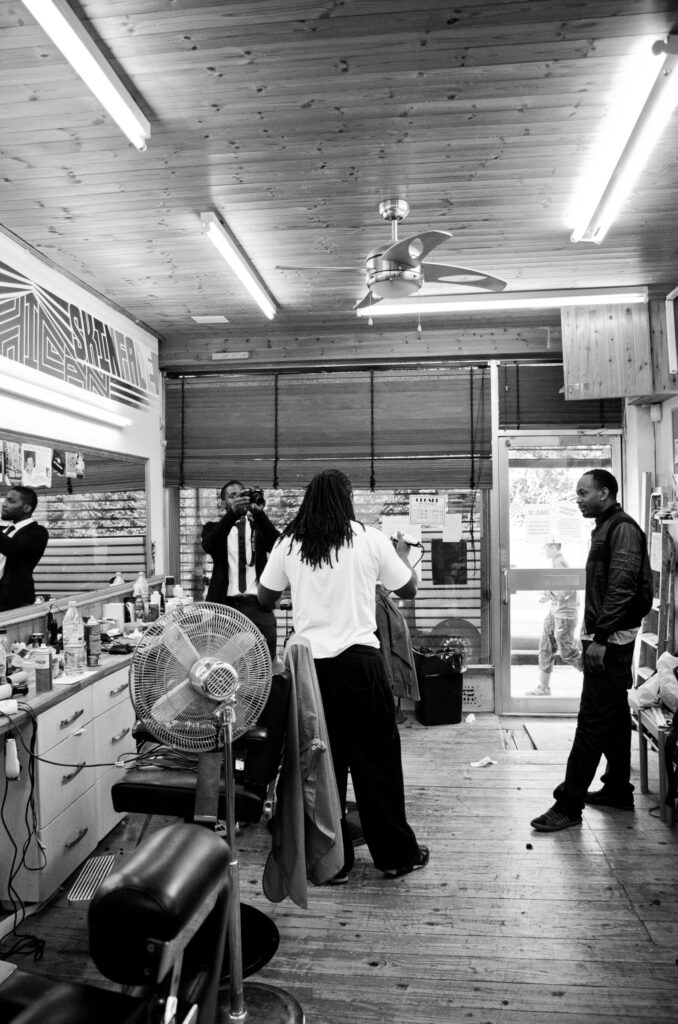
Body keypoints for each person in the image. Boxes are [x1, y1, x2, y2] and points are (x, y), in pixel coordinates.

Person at [258, 468, 429, 881]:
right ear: (347, 500)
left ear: (309, 501)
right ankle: (395, 856)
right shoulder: (369, 539)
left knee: (320, 764)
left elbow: (264, 598)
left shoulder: (289, 543)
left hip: (310, 671)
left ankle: (331, 863)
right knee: (377, 761)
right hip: (360, 665)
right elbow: (408, 590)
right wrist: (404, 555)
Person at [530, 469, 653, 833]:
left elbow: (623, 586)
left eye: (584, 493)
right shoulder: (606, 527)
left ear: (605, 492)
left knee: (591, 722)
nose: (579, 499)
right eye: (577, 494)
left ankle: (568, 805)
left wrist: (601, 637)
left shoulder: (622, 529)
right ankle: (618, 789)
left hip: (610, 641)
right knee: (613, 715)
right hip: (606, 636)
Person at [201, 479, 279, 655]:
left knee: (266, 661)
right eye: (232, 496)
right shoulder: (213, 528)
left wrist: (260, 514)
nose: (238, 500)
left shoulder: (259, 528)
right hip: (224, 608)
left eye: (242, 495)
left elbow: (277, 547)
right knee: (223, 662)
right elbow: (209, 546)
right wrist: (232, 515)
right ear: (223, 503)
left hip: (258, 606)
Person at [527, 541, 582, 696]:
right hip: (556, 612)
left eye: (544, 547)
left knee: (567, 652)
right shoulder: (556, 562)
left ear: (553, 547)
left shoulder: (560, 563)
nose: (542, 550)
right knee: (545, 647)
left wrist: (546, 595)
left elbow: (564, 589)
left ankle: (596, 680)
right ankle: (543, 687)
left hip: (564, 614)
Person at [0, 486, 49, 611]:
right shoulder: (4, 531)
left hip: (14, 602)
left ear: (27, 508)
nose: (4, 504)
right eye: (5, 500)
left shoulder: (37, 533)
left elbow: (13, 548)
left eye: (11, 501)